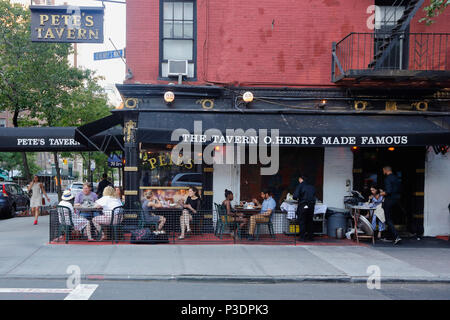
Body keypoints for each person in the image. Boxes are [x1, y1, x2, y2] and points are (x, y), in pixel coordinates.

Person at [380, 166, 402, 245]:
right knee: (391, 219)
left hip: (389, 200)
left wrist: (381, 193)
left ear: (385, 170)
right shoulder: (396, 178)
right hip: (396, 200)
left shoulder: (387, 179)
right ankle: (390, 237)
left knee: (388, 219)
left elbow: (388, 191)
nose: (383, 172)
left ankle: (396, 236)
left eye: (383, 170)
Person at [293, 174, 316, 241]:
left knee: (302, 221)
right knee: (310, 221)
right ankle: (310, 237)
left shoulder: (300, 186)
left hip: (303, 205)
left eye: (299, 180)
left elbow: (295, 196)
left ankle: (302, 238)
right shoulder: (312, 187)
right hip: (311, 206)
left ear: (300, 179)